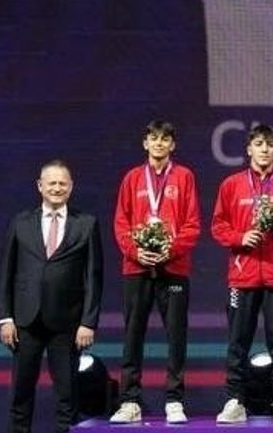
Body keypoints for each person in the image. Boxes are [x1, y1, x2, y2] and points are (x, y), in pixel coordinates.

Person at [0, 160, 104, 433]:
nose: (57, 188)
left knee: (67, 397)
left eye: (62, 183)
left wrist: (88, 322)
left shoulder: (86, 224)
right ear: (40, 186)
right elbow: (6, 273)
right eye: (52, 183)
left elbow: (94, 277)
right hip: (25, 321)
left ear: (71, 187)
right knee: (20, 395)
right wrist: (5, 318)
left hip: (67, 323)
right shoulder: (20, 223)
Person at [211, 123, 273, 425]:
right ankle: (235, 400)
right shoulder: (231, 185)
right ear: (248, 149)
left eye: (270, 145)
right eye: (259, 144)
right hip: (243, 276)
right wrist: (241, 238)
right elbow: (218, 226)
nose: (264, 149)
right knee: (237, 342)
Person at [109, 121, 201, 425]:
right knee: (132, 334)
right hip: (136, 267)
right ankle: (130, 400)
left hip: (173, 267)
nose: (159, 143)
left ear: (172, 145)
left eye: (165, 139)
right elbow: (121, 223)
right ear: (145, 142)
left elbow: (192, 225)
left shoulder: (184, 176)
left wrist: (169, 249)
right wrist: (136, 252)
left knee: (176, 335)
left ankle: (174, 400)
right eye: (154, 138)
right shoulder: (132, 178)